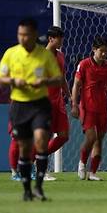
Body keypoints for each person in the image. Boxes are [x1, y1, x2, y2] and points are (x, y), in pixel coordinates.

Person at [0, 18, 62, 201]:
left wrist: (45, 81)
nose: (23, 38)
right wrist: (13, 81)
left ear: (34, 35)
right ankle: (26, 190)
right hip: (19, 106)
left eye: (26, 34)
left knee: (41, 141)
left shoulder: (45, 55)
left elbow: (58, 79)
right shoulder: (11, 54)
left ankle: (39, 187)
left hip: (40, 104)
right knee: (24, 148)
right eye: (20, 34)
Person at [71, 36, 107, 181]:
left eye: (106, 51)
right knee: (91, 137)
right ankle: (82, 164)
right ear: (94, 50)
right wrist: (74, 104)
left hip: (102, 108)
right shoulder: (84, 64)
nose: (104, 54)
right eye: (101, 51)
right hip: (87, 107)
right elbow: (76, 85)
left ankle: (92, 173)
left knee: (99, 140)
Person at [42, 26, 71, 181]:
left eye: (62, 38)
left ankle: (34, 157)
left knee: (64, 136)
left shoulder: (60, 56)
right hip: (44, 102)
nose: (61, 42)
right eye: (59, 38)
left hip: (58, 102)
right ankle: (42, 170)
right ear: (51, 39)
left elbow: (62, 78)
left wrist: (70, 95)